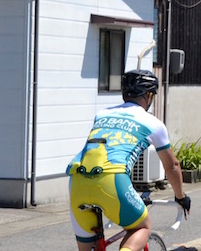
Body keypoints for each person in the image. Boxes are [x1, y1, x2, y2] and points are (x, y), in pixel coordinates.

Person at [67, 70, 190, 251]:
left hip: (77, 179)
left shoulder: (102, 114)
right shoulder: (153, 123)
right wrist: (180, 197)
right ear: (149, 96)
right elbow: (172, 166)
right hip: (113, 180)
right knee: (142, 227)